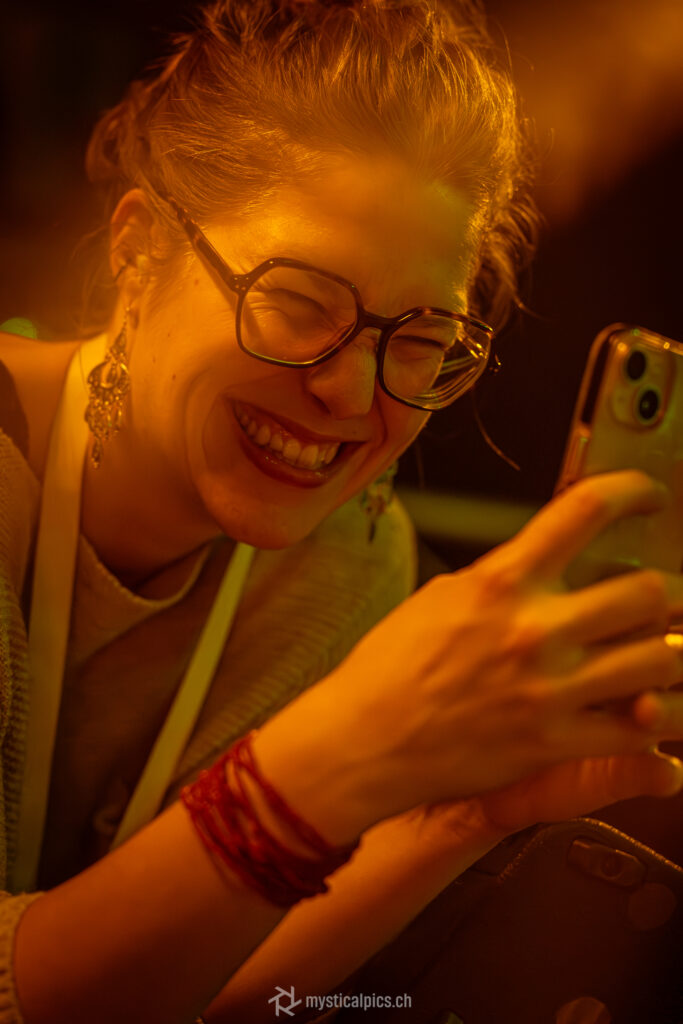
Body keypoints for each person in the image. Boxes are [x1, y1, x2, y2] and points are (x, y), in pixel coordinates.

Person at [1, 1, 682, 1022]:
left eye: (421, 340)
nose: (353, 394)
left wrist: (457, 813)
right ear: (137, 248)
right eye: (300, 301)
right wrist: (330, 758)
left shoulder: (351, 561)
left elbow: (222, 999)